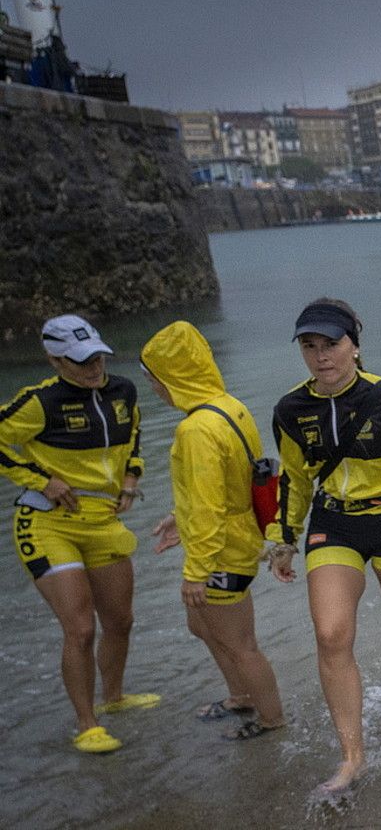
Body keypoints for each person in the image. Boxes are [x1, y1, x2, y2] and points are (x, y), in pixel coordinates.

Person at [265, 298, 381, 795]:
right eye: (311, 346)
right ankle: (353, 758)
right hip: (335, 524)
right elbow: (294, 481)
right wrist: (282, 539)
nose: (322, 356)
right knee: (330, 634)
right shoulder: (290, 410)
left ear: (355, 345)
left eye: (332, 344)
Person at [0, 315, 158, 754]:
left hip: (103, 520)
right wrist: (40, 480)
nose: (94, 368)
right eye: (80, 361)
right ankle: (87, 725)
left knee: (121, 622)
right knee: (81, 629)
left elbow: (136, 438)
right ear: (54, 359)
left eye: (98, 357)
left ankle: (114, 701)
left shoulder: (123, 390)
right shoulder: (39, 402)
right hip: (49, 522)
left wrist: (131, 479)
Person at [141, 320, 285, 740]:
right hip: (233, 536)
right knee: (200, 625)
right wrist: (178, 519)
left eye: (155, 379)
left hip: (222, 551)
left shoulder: (196, 429)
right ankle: (241, 695)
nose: (154, 388)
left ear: (174, 377)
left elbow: (208, 506)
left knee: (241, 645)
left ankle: (272, 720)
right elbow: (227, 483)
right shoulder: (228, 405)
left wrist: (196, 570)